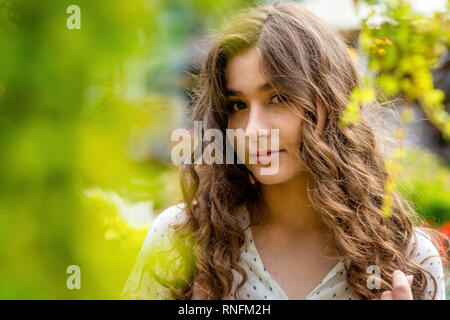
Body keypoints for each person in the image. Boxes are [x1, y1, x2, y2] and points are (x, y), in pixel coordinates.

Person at [122, 1, 448, 300]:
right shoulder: (182, 240)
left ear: (331, 103)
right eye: (237, 105)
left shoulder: (404, 259)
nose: (252, 130)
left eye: (278, 98)